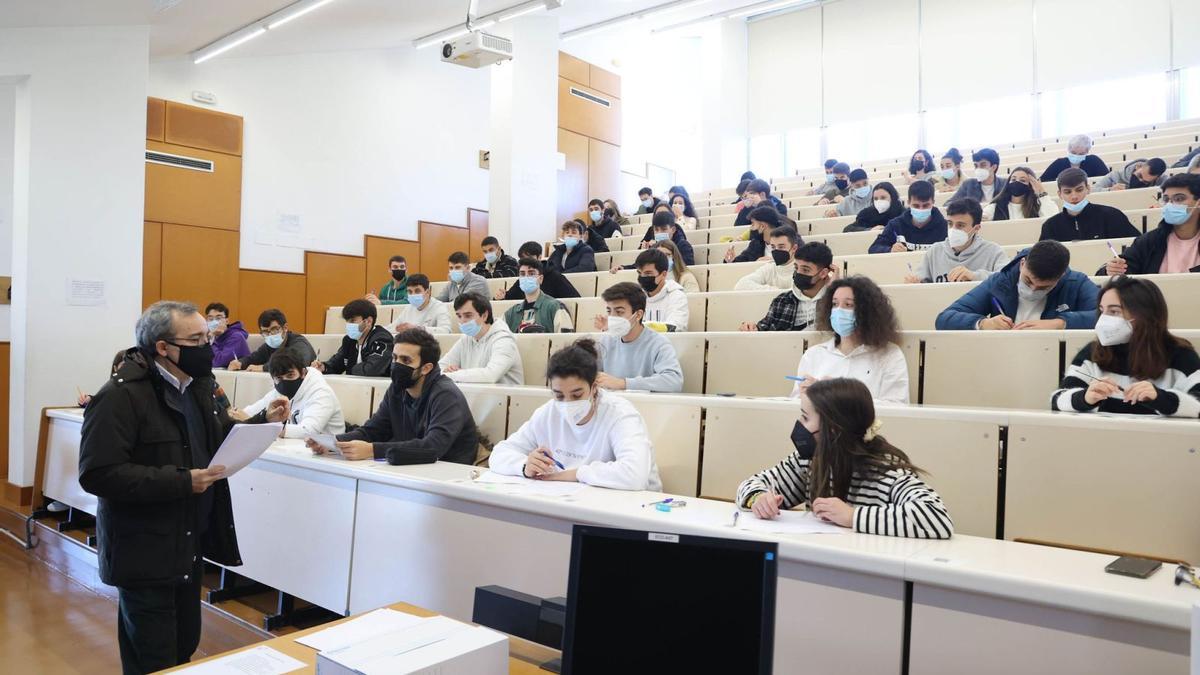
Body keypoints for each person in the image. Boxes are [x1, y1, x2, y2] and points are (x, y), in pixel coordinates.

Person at [80, 301, 289, 674]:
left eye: (208, 337)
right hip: (142, 549)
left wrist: (262, 420)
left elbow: (212, 440)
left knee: (183, 647)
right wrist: (181, 481)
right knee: (152, 656)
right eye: (196, 339)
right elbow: (98, 473)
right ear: (163, 347)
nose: (207, 346)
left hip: (187, 543)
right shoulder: (120, 396)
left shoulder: (199, 387)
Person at [734, 378, 953, 539]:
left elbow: (936, 517)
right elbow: (750, 484)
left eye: (805, 417)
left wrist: (852, 516)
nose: (799, 424)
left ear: (833, 429)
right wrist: (759, 499)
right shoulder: (810, 459)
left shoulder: (884, 470)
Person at [488, 340, 663, 491]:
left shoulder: (620, 414)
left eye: (577, 395)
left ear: (594, 387)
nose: (567, 403)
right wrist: (525, 466)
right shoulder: (548, 413)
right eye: (559, 395)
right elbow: (499, 454)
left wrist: (574, 474)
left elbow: (634, 474)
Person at [309, 328, 479, 464]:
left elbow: (433, 447)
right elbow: (374, 430)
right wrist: (333, 443)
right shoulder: (397, 388)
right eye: (395, 358)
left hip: (449, 471)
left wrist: (372, 450)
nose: (396, 365)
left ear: (426, 368)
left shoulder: (446, 394)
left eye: (406, 361)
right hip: (411, 466)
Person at [1052, 276, 1200, 417]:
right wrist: (1084, 398)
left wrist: (1161, 398)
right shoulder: (1093, 352)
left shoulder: (1180, 355)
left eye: (1114, 311)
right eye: (1102, 311)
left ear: (1144, 314)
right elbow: (1058, 399)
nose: (1103, 319)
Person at [789, 276, 909, 403]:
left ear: (867, 311)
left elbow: (897, 406)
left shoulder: (890, 355)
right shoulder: (813, 354)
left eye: (848, 305)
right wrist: (806, 395)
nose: (839, 310)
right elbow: (796, 405)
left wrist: (842, 397)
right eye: (835, 304)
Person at [935, 240, 1100, 330]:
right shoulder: (1000, 281)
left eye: (1043, 287)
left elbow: (1111, 317)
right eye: (1028, 281)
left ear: (1061, 276)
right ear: (1022, 264)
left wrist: (1060, 323)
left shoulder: (1076, 283)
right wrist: (984, 324)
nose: (1032, 290)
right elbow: (944, 319)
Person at [591, 282, 683, 393]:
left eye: (619, 312)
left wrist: (624, 383)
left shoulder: (659, 344)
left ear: (638, 314)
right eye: (609, 311)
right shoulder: (605, 341)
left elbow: (674, 382)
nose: (612, 317)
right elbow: (588, 374)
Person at [1101, 173, 1200, 276]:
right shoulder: (1150, 241)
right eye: (1166, 199)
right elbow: (1123, 269)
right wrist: (1111, 269)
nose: (1170, 204)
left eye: (1179, 199)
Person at [240, 349, 345, 437]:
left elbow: (309, 431)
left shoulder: (321, 392)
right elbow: (250, 412)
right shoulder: (278, 390)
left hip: (328, 454)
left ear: (303, 373)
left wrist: (263, 427)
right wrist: (240, 417)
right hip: (296, 450)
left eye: (290, 375)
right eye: (279, 378)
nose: (284, 381)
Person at [905, 198, 1008, 284]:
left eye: (960, 225)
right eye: (950, 223)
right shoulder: (934, 251)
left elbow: (1007, 278)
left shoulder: (993, 251)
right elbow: (922, 282)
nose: (953, 229)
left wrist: (974, 276)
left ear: (976, 228)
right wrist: (915, 283)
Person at [742, 242, 836, 332]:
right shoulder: (782, 301)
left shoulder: (836, 302)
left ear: (823, 273)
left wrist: (834, 289)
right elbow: (763, 329)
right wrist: (752, 328)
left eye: (805, 270)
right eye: (796, 268)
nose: (798, 273)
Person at [440, 293, 524, 385]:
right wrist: (447, 370)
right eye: (459, 316)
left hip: (506, 398)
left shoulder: (504, 340)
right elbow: (440, 366)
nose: (462, 321)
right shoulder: (466, 338)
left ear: (484, 316)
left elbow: (491, 375)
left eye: (468, 316)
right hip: (475, 395)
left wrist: (454, 374)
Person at [1039, 167, 1139, 242]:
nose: (1074, 196)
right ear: (1059, 194)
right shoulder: (1050, 226)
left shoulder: (1112, 215)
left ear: (1088, 189)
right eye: (1067, 192)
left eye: (1079, 190)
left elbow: (1135, 245)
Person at [313, 299, 394, 377]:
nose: (348, 325)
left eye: (352, 321)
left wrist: (350, 368)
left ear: (368, 321)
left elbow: (372, 369)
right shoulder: (349, 340)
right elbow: (336, 364)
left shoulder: (382, 338)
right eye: (347, 321)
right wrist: (323, 367)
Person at [868, 180, 947, 253]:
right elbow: (873, 248)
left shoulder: (944, 226)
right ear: (909, 202)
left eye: (926, 205)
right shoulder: (895, 225)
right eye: (916, 205)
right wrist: (890, 249)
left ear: (933, 202)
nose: (921, 209)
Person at [229, 309, 316, 372]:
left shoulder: (299, 342)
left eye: (274, 329)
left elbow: (297, 363)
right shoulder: (269, 346)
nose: (270, 335)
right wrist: (240, 363)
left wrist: (263, 368)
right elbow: (253, 358)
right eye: (265, 332)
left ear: (285, 328)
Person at [503, 258, 572, 333]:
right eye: (522, 274)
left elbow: (565, 340)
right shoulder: (511, 313)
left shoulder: (555, 307)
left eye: (531, 274)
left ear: (540, 279)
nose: (526, 277)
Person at [500, 241, 581, 300]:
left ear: (539, 257)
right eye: (523, 259)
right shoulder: (523, 279)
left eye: (530, 258)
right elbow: (509, 297)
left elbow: (575, 299)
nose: (526, 263)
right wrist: (502, 296)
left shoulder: (555, 277)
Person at [636, 248, 689, 331]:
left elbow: (675, 326)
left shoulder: (677, 296)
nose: (642, 277)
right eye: (639, 273)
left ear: (663, 274)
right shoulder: (636, 296)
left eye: (648, 273)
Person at [735, 225, 801, 291]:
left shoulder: (803, 270)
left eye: (781, 247)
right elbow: (741, 285)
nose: (776, 250)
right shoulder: (769, 268)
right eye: (773, 247)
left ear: (794, 248)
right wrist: (773, 290)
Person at [983, 166, 1055, 221]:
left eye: (1022, 180)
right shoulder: (996, 207)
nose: (1016, 182)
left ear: (1030, 185)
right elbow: (982, 216)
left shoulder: (1037, 206)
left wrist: (1042, 192)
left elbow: (1052, 218)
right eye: (1013, 179)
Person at [1041, 134, 1109, 181]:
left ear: (1087, 152)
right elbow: (1043, 180)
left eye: (1081, 154)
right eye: (1073, 153)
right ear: (1069, 150)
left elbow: (1108, 179)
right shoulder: (1059, 163)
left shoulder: (1094, 161)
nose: (1076, 156)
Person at [204, 302, 248, 369]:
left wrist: (211, 339)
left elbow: (219, 362)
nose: (214, 322)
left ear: (227, 321)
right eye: (210, 319)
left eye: (218, 318)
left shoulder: (237, 337)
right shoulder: (208, 336)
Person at [1094, 157, 1167, 192]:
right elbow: (1092, 190)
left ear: (1157, 178)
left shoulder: (1162, 181)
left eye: (1145, 182)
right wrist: (1109, 190)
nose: (1139, 180)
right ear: (1138, 166)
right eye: (1139, 175)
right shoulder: (1115, 176)